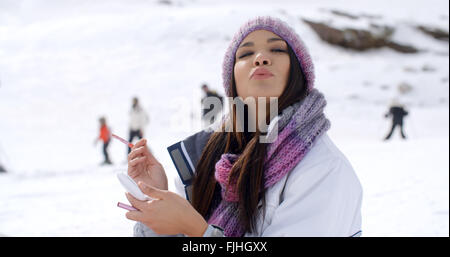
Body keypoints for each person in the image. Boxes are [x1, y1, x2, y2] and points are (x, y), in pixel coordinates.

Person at [123, 16, 363, 237]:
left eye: (277, 49)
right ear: (232, 79)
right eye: (246, 54)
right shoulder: (205, 158)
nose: (260, 58)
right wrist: (154, 201)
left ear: (298, 72)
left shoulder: (324, 168)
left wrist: (195, 228)